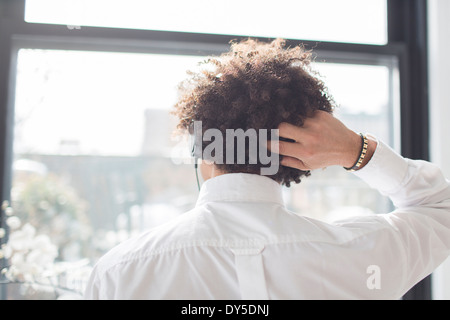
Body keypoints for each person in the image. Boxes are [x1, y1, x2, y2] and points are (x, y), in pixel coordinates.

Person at [84, 39, 450, 299]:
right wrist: (354, 149)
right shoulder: (363, 254)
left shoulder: (120, 272)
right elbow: (439, 207)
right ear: (304, 159)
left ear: (203, 150)